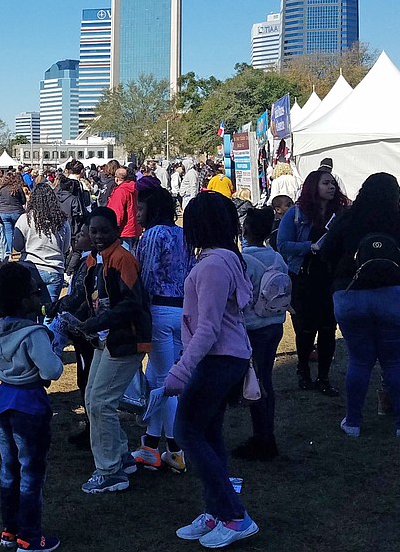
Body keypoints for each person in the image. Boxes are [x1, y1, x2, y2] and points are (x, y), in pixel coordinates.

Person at [166, 191, 258, 548]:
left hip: (217, 359)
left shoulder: (214, 265)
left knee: (187, 432)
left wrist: (180, 370)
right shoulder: (223, 260)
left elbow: (208, 328)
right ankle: (218, 510)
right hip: (222, 358)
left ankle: (235, 515)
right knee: (209, 433)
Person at [317, 172, 400, 439]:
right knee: (395, 363)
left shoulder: (347, 220)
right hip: (397, 297)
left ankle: (353, 422)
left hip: (350, 296)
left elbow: (325, 252)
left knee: (359, 361)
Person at [68, 207, 151, 495]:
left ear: (116, 230)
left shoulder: (122, 259)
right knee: (92, 399)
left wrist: (96, 322)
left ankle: (109, 470)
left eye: (105, 230)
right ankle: (121, 456)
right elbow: (87, 297)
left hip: (126, 339)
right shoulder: (94, 259)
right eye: (94, 231)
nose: (99, 236)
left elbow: (131, 303)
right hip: (105, 338)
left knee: (102, 402)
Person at [0, 262, 65, 552]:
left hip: (5, 400)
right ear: (24, 300)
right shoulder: (33, 334)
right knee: (32, 471)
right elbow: (53, 370)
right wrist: (53, 346)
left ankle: (10, 530)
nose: (38, 296)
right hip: (30, 403)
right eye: (35, 292)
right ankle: (31, 537)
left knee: (9, 469)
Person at [130, 186, 190, 474]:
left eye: (140, 209)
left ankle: (176, 449)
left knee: (166, 384)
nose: (137, 214)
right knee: (157, 379)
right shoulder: (182, 233)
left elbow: (146, 274)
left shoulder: (153, 235)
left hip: (159, 311)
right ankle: (151, 446)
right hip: (182, 310)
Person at [277, 168, 348, 395]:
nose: (331, 187)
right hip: (304, 279)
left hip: (330, 279)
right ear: (313, 186)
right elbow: (283, 245)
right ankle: (303, 370)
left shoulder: (341, 214)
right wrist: (310, 247)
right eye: (326, 183)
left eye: (333, 183)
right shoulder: (296, 214)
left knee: (329, 328)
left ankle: (324, 377)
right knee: (306, 330)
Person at [232, 205, 287, 461]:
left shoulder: (245, 261)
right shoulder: (277, 257)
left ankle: (263, 438)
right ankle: (265, 435)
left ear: (245, 230)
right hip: (275, 323)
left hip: (253, 327)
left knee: (257, 382)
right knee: (265, 379)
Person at [13, 183, 72, 311]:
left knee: (29, 312)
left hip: (30, 268)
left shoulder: (25, 219)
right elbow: (66, 248)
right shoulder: (62, 220)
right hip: (54, 270)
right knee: (49, 313)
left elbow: (17, 246)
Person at [106, 167, 141, 250]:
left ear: (116, 179)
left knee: (124, 258)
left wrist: (111, 229)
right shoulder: (135, 189)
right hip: (135, 228)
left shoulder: (121, 191)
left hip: (124, 231)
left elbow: (116, 213)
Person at [0, 171, 27, 254]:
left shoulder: (0, 189)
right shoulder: (17, 188)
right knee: (19, 231)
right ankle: (20, 250)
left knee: (8, 232)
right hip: (16, 211)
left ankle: (9, 252)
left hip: (3, 212)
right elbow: (23, 201)